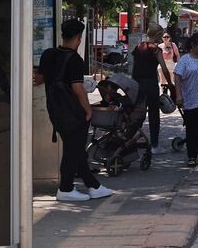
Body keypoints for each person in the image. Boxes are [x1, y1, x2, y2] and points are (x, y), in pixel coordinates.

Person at [39, 19, 112, 202]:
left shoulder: (48, 54)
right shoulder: (75, 60)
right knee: (73, 151)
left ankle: (93, 186)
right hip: (73, 112)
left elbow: (38, 79)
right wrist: (88, 110)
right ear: (79, 38)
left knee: (76, 148)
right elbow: (78, 89)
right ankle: (65, 188)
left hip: (54, 109)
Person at [129, 23, 174, 150]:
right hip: (150, 83)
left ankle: (126, 139)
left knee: (137, 113)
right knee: (154, 113)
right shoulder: (156, 49)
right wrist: (170, 83)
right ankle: (154, 144)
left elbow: (133, 67)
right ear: (158, 34)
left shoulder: (138, 47)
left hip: (137, 83)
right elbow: (164, 69)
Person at [172, 32, 198, 168]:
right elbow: (177, 76)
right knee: (192, 129)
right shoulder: (185, 60)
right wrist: (178, 95)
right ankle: (192, 156)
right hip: (190, 99)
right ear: (193, 45)